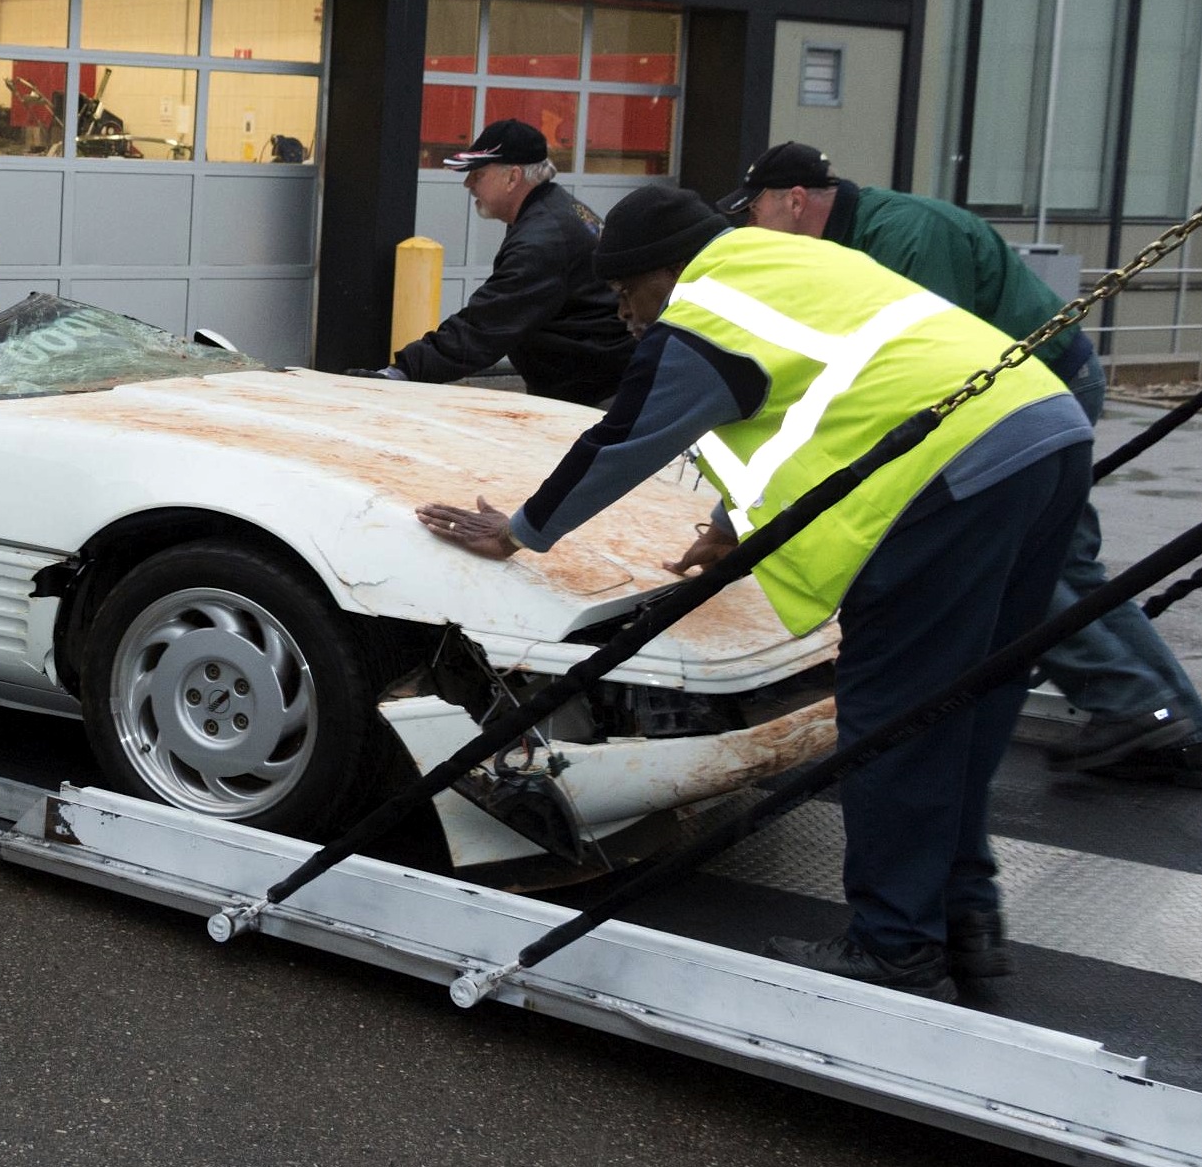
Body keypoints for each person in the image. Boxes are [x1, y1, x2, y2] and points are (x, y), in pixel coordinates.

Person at [418, 186, 1091, 998]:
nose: (627, 315)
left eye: (626, 294)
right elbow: (828, 403)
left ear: (661, 273)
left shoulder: (704, 310)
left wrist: (521, 530)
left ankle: (893, 944)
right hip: (1044, 435)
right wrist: (732, 521)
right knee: (971, 702)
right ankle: (963, 920)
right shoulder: (785, 262)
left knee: (895, 714)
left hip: (944, 479)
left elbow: (624, 438)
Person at [725, 142, 1202, 790]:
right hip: (1034, 388)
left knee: (1014, 560)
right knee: (1066, 562)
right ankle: (1177, 722)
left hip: (1036, 393)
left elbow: (928, 369)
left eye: (753, 209)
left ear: (792, 200)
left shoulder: (904, 235)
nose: (750, 226)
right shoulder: (860, 237)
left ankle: (1134, 706)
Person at [362, 119, 633, 404]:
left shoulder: (543, 239)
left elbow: (484, 328)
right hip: (594, 384)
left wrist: (401, 374)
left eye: (477, 175)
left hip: (600, 395)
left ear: (513, 178)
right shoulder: (553, 210)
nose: (468, 184)